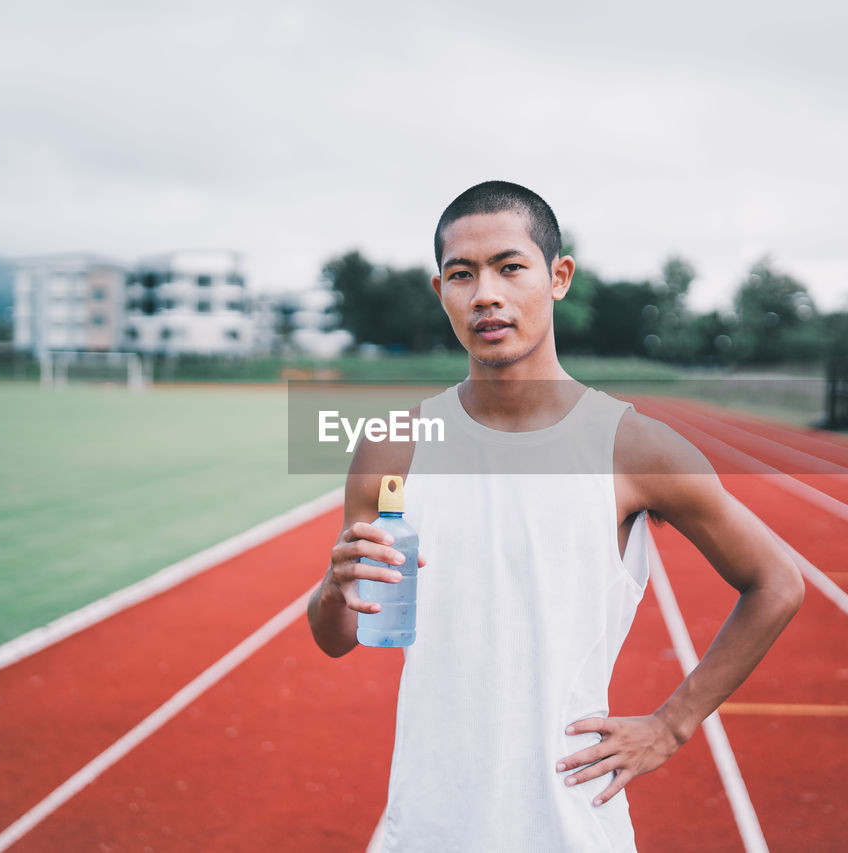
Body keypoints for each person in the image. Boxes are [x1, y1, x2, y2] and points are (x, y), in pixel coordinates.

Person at [307, 181, 804, 851]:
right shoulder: (395, 443)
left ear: (558, 277)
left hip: (571, 828)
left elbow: (777, 580)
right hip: (424, 825)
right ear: (441, 292)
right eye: (463, 274)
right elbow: (336, 636)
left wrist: (672, 724)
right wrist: (334, 589)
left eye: (510, 267)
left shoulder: (632, 446)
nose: (486, 293)